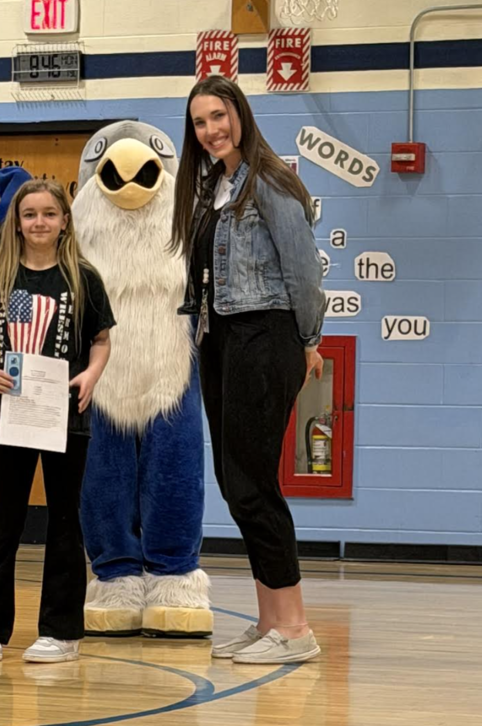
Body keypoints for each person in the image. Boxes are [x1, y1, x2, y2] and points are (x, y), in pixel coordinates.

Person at [172, 76, 327, 664]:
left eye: (219, 116)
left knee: (254, 484)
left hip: (265, 337)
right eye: (199, 122)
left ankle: (295, 630)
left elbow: (303, 273)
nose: (210, 130)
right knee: (237, 483)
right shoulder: (215, 184)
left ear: (240, 114)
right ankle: (269, 622)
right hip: (223, 338)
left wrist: (308, 340)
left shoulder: (269, 180)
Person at [0, 179, 115, 664]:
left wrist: (91, 375)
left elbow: (100, 340)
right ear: (17, 222)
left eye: (49, 213)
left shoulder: (83, 277)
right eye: (29, 214)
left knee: (64, 521)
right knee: (5, 521)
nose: (39, 223)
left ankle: (61, 631)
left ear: (64, 220)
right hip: (13, 416)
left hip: (66, 417)